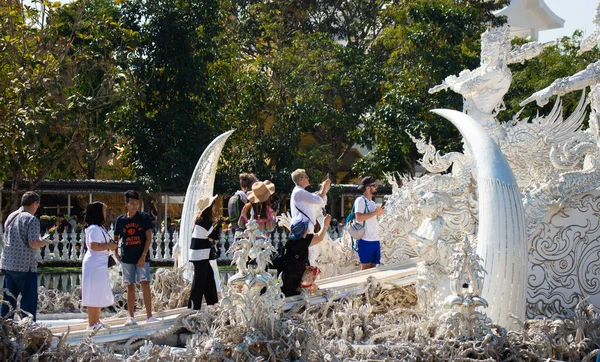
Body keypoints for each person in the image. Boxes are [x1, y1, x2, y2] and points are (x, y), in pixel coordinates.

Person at [281, 169, 331, 297]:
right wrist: (324, 189)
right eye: (306, 177)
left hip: (303, 231)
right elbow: (319, 200)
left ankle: (307, 286)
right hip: (304, 232)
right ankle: (306, 287)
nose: (308, 178)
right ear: (300, 179)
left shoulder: (300, 193)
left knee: (310, 257)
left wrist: (323, 190)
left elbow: (317, 198)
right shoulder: (300, 192)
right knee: (309, 257)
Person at [0, 191, 47, 321]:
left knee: (8, 300)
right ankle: (28, 328)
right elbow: (32, 243)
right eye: (37, 205)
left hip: (8, 263)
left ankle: (4, 327)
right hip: (25, 266)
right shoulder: (32, 219)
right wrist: (42, 242)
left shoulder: (11, 216)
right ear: (34, 204)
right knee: (28, 300)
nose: (37, 207)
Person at [113, 190, 156, 326]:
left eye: (137, 204)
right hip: (127, 257)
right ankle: (131, 316)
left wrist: (143, 256)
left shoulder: (144, 218)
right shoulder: (120, 220)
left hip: (141, 256)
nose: (135, 207)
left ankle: (149, 315)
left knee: (145, 283)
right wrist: (116, 252)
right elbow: (116, 237)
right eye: (132, 204)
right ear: (126, 204)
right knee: (130, 286)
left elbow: (149, 237)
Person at [82, 201, 118, 330]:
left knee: (98, 293)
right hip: (94, 264)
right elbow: (94, 246)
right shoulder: (93, 228)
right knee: (92, 294)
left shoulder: (100, 227)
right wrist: (110, 246)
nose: (105, 213)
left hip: (100, 264)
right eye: (104, 210)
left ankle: (96, 321)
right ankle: (91, 324)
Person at [281, 212, 332, 297]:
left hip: (288, 278)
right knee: (315, 289)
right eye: (306, 227)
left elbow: (317, 236)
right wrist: (325, 225)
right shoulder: (301, 242)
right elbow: (319, 237)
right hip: (294, 282)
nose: (309, 229)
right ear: (304, 230)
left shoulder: (293, 240)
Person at [188, 195, 221, 310]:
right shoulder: (204, 221)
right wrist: (218, 224)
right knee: (199, 282)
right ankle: (193, 307)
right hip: (200, 255)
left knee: (208, 278)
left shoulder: (202, 220)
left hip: (200, 254)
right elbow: (215, 235)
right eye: (213, 204)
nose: (215, 206)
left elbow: (212, 237)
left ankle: (211, 303)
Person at [354, 176, 385, 270]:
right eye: (374, 185)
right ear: (368, 187)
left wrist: (379, 213)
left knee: (374, 267)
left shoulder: (371, 202)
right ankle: (363, 284)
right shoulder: (360, 200)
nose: (376, 187)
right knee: (365, 267)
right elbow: (358, 218)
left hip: (375, 239)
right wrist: (376, 212)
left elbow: (372, 218)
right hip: (365, 239)